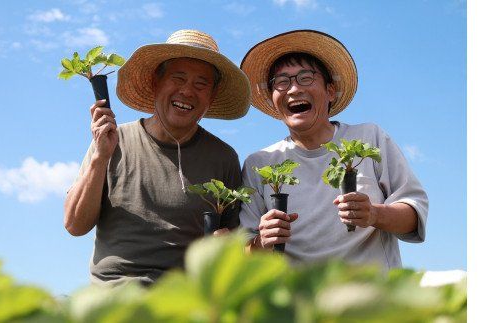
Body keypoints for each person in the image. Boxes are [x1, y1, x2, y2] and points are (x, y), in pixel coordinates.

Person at [64, 29, 251, 286]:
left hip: (183, 301)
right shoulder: (111, 141)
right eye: (178, 78)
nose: (187, 91)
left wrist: (225, 244)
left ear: (212, 97)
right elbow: (75, 225)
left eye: (201, 84)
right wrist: (99, 157)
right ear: (155, 82)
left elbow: (234, 246)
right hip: (114, 295)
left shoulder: (223, 158)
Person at [239, 30, 428, 269]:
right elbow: (242, 251)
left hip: (374, 299)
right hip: (297, 303)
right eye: (281, 82)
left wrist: (374, 214)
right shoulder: (259, 163)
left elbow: (414, 216)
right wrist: (260, 242)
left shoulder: (369, 137)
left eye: (305, 78)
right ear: (273, 98)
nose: (294, 89)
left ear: (330, 91)